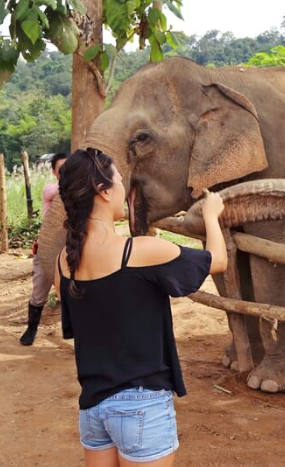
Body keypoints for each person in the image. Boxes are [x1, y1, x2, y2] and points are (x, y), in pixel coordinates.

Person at [53, 147, 227, 466]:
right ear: (103, 191)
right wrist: (211, 217)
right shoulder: (141, 251)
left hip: (93, 408)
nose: (123, 189)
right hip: (141, 405)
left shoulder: (64, 262)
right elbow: (217, 261)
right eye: (119, 181)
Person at [20, 152, 68, 346]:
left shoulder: (77, 193)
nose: (66, 173)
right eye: (62, 170)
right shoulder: (51, 189)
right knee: (40, 291)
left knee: (71, 291)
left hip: (69, 249)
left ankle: (71, 330)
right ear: (54, 172)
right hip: (47, 249)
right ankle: (31, 329)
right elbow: (57, 190)